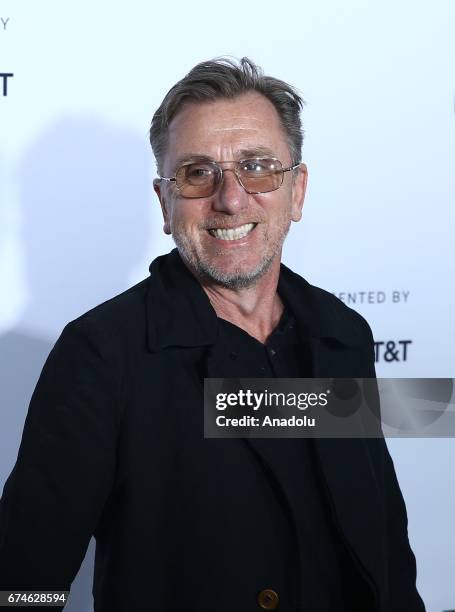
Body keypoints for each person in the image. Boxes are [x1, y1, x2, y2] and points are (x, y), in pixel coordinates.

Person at [0, 57, 425, 612]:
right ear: (165, 203)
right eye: (199, 173)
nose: (230, 198)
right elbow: (23, 582)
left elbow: (383, 545)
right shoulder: (102, 355)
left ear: (296, 191)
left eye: (257, 167)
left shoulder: (340, 332)